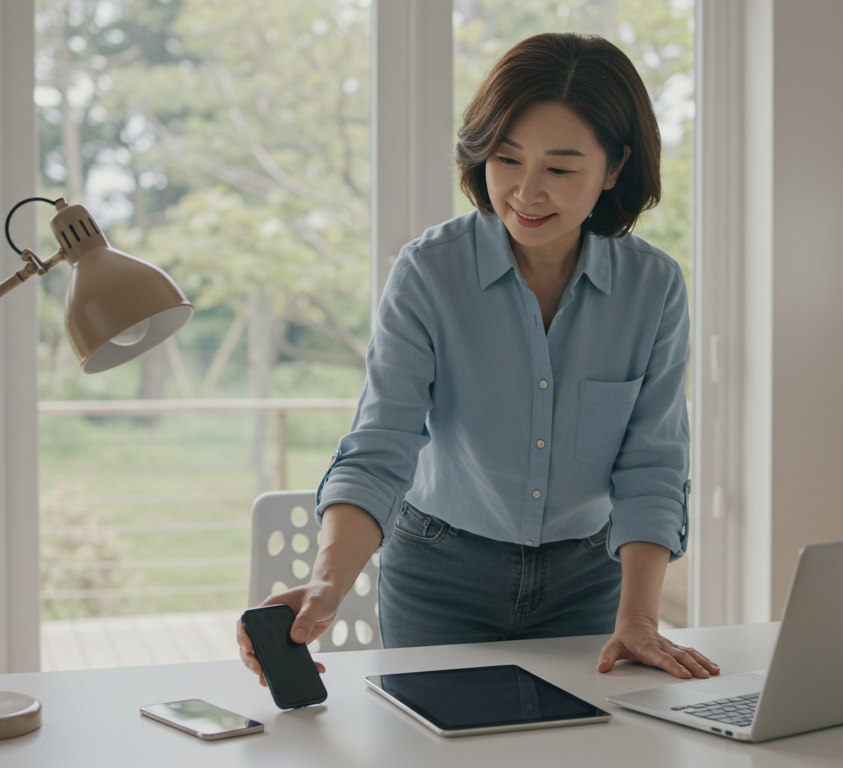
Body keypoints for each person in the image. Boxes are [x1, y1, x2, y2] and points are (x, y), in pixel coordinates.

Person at [237, 32, 719, 684]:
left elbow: (652, 466)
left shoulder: (653, 287)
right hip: (440, 576)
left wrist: (640, 617)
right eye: (506, 158)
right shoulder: (429, 273)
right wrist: (327, 586)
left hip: (589, 581)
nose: (525, 191)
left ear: (613, 168)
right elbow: (382, 444)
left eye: (560, 167)